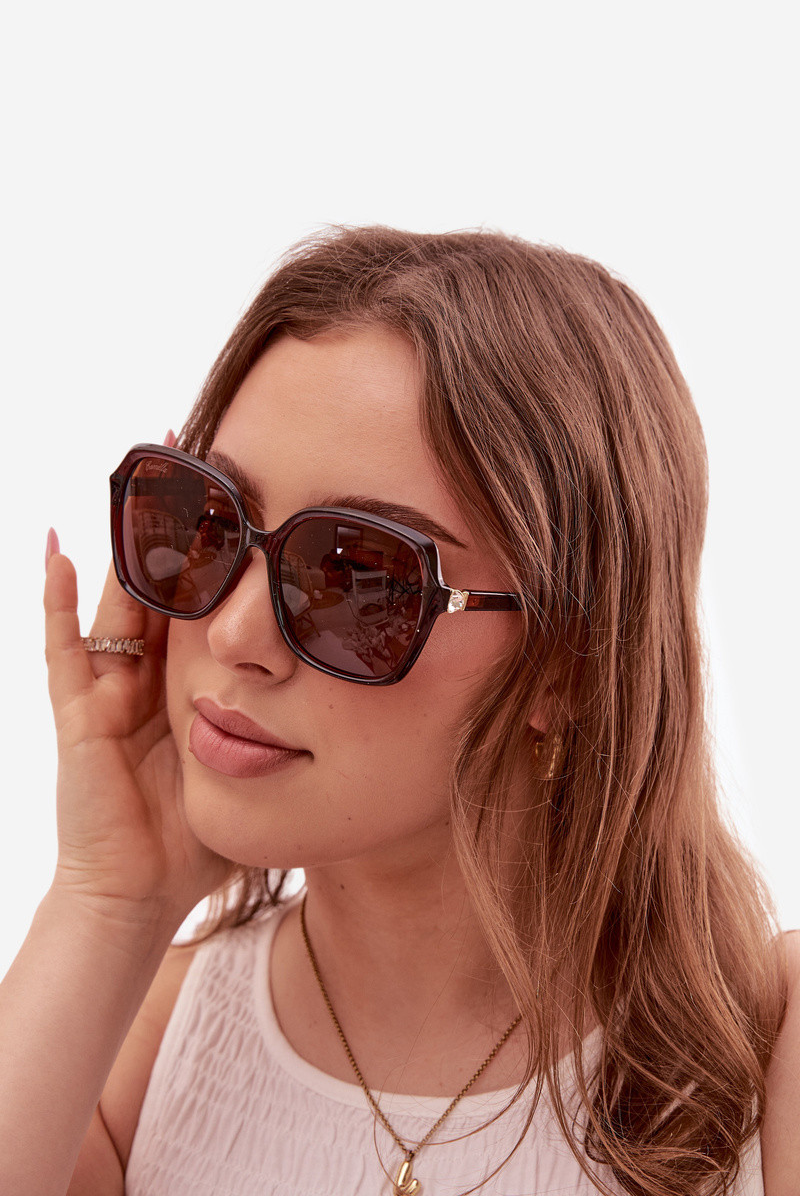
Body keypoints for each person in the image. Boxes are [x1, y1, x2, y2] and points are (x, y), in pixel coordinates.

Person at [1, 226, 797, 1196]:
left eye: (356, 578)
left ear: (569, 667)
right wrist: (107, 902)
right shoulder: (137, 1054)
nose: (234, 632)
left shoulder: (769, 1056)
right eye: (209, 523)